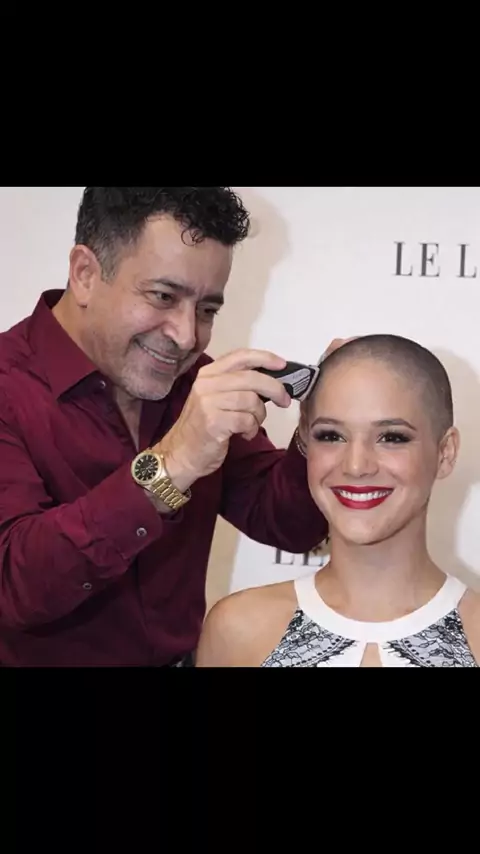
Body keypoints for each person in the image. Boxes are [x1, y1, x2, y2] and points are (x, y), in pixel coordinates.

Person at [0, 187, 328, 667]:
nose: (187, 335)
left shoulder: (194, 381)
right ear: (85, 274)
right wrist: (171, 465)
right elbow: (14, 586)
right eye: (163, 296)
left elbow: (289, 524)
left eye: (207, 310)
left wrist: (321, 425)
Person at [196, 334, 480, 667]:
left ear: (445, 452)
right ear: (305, 441)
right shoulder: (239, 630)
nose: (356, 466)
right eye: (331, 435)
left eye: (392, 437)